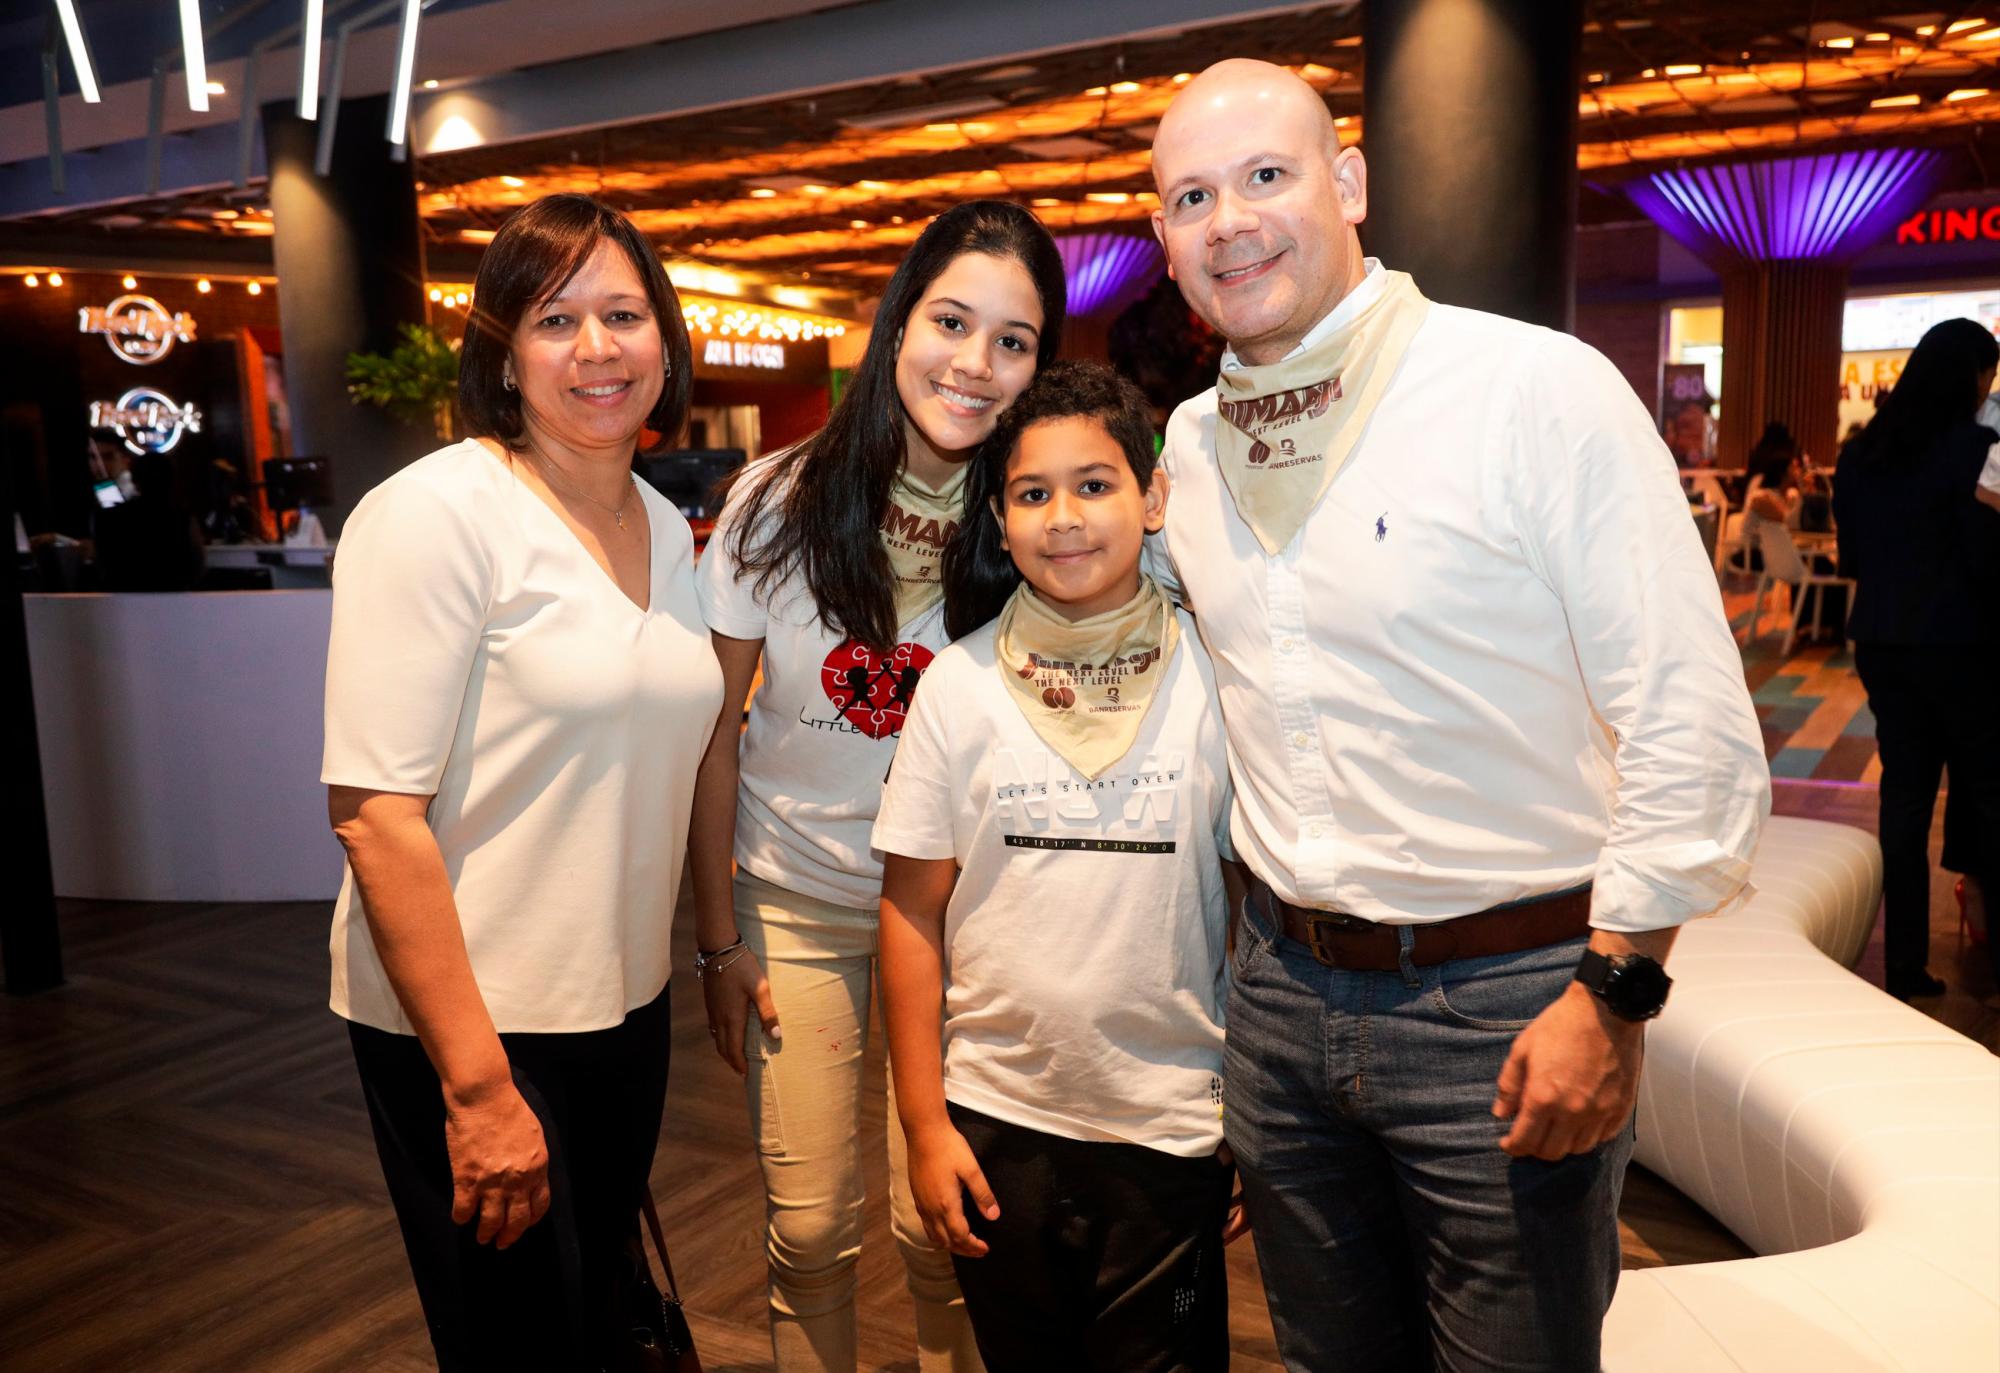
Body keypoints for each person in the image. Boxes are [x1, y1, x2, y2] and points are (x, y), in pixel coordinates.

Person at [1144, 60, 1770, 1370]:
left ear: (1348, 183)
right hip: (1279, 1006)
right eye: (1191, 196)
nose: (1230, 220)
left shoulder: (1530, 389)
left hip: (1507, 1004)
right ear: (1163, 235)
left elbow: (1687, 714)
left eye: (1265, 176)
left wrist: (1613, 994)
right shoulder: (1191, 450)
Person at [322, 194, 722, 1369]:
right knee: (515, 1346)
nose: (597, 348)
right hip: (474, 1023)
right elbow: (374, 815)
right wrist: (477, 1086)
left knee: (597, 1323)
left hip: (624, 1003)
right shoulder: (435, 515)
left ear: (664, 340)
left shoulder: (666, 525)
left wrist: (715, 946)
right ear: (503, 354)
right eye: (554, 319)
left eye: (624, 315)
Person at [690, 199, 1065, 1373]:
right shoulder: (774, 502)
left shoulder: (1031, 518)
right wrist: (715, 938)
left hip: (963, 917)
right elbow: (711, 734)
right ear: (898, 323)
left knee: (944, 1226)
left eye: (1012, 340)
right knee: (807, 1232)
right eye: (951, 321)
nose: (974, 362)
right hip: (792, 900)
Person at [875, 360, 1237, 1370]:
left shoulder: (1217, 674)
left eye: (1094, 484)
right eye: (1032, 493)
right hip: (997, 1125)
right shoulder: (957, 686)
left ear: (1151, 498)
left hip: (1171, 1131)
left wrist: (1253, 1112)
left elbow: (1253, 909)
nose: (1064, 517)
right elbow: (910, 912)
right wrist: (924, 1125)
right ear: (998, 522)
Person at [1834, 317, 2000, 1000]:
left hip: (1884, 642)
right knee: (1989, 796)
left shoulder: (1861, 453)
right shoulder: (1979, 450)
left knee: (1903, 802)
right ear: (1970, 377)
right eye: (1988, 374)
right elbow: (1988, 559)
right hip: (1965, 648)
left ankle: (1904, 966)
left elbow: (1852, 556)